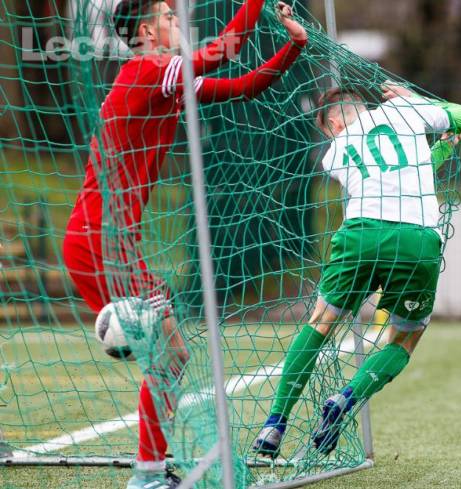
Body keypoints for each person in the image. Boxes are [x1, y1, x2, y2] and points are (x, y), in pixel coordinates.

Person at [62, 1, 307, 487]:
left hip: (112, 245)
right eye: (169, 16)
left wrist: (294, 47)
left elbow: (245, 86)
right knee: (168, 357)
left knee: (172, 358)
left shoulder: (167, 80)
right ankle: (147, 476)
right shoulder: (149, 69)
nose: (178, 20)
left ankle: (150, 472)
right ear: (147, 30)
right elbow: (221, 53)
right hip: (98, 243)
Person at [252, 83, 461, 457]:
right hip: (415, 239)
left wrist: (440, 146)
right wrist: (415, 101)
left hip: (360, 235)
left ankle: (274, 424)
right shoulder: (404, 111)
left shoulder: (334, 153)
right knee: (405, 338)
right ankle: (346, 398)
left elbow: (389, 173)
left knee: (320, 322)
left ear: (333, 124)